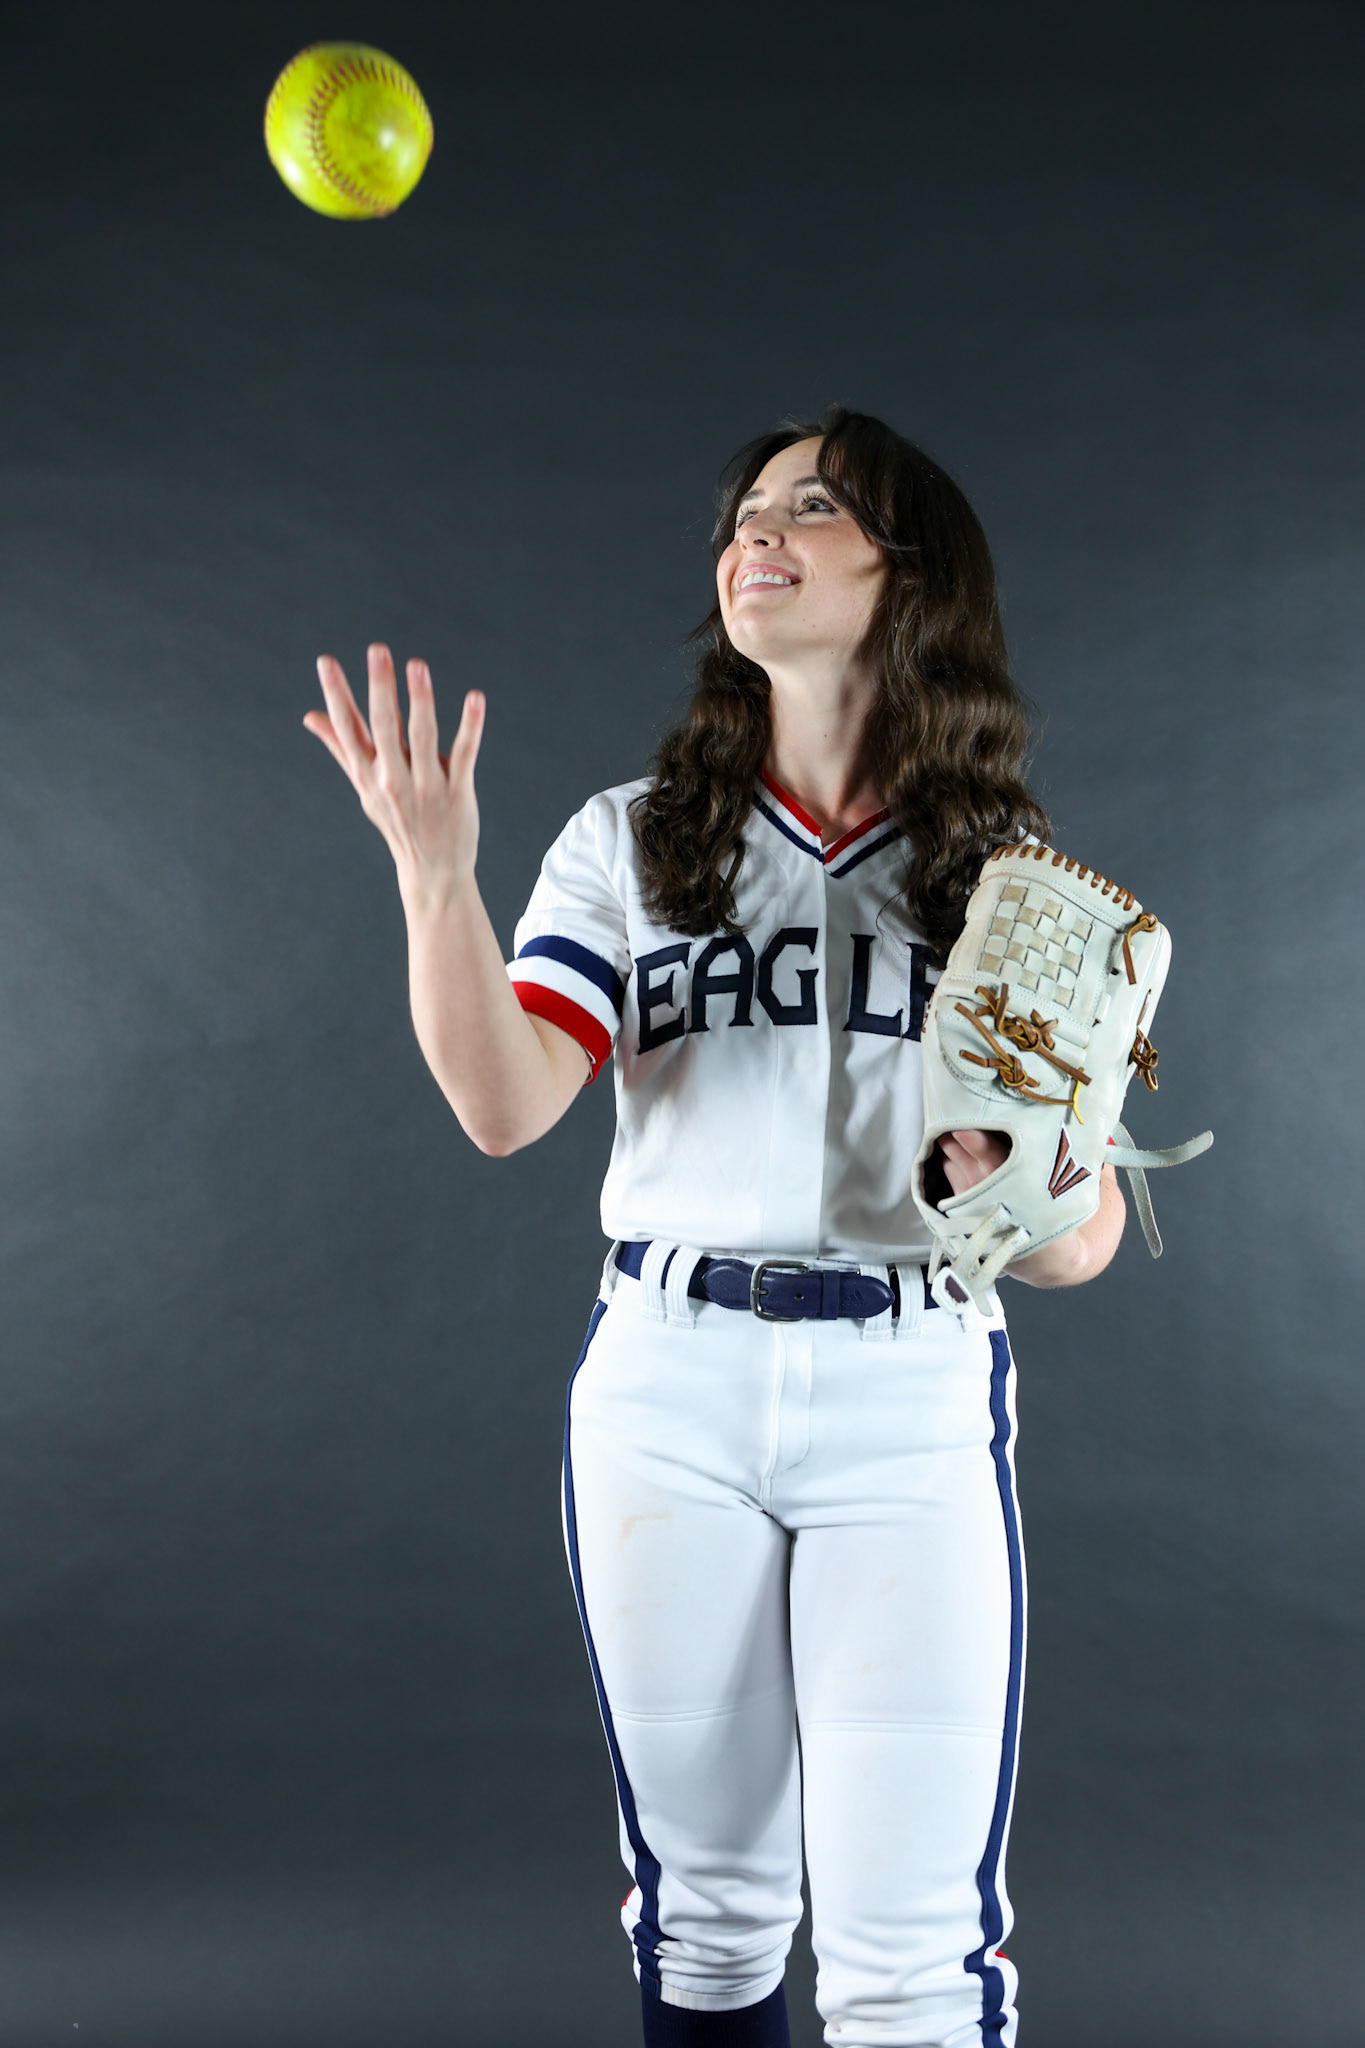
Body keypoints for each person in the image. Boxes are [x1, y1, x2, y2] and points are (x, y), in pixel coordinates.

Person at [303, 406, 1126, 2048]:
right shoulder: (631, 837)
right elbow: (505, 1101)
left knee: (913, 1957)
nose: (761, 531)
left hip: (906, 1390)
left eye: (816, 508)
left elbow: (1079, 1239)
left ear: (912, 579)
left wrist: (1006, 1188)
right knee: (706, 1915)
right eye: (746, 510)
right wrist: (431, 876)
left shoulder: (1011, 875)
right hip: (668, 1388)